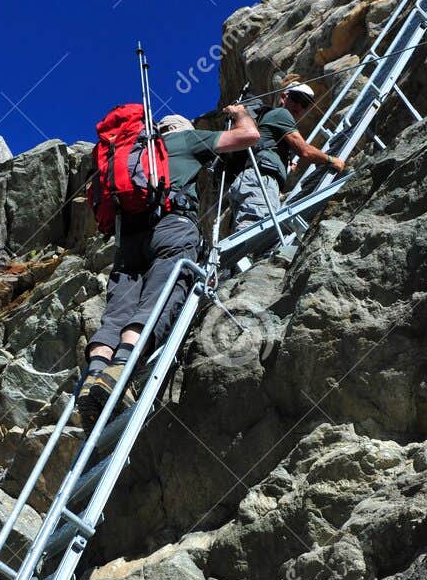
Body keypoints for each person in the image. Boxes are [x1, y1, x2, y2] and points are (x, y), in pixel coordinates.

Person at [76, 104, 260, 430]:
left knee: (117, 312)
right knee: (161, 295)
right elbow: (248, 136)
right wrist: (241, 112)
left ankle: (95, 376)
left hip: (127, 240)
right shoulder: (186, 140)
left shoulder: (132, 153)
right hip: (171, 228)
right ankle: (122, 368)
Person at [227, 79, 345, 249]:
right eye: (296, 99)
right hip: (261, 179)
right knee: (255, 231)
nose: (299, 106)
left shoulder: (272, 120)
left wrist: (285, 165)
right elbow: (304, 151)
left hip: (251, 180)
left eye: (305, 104)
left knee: (257, 236)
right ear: (284, 96)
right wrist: (331, 160)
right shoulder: (282, 114)